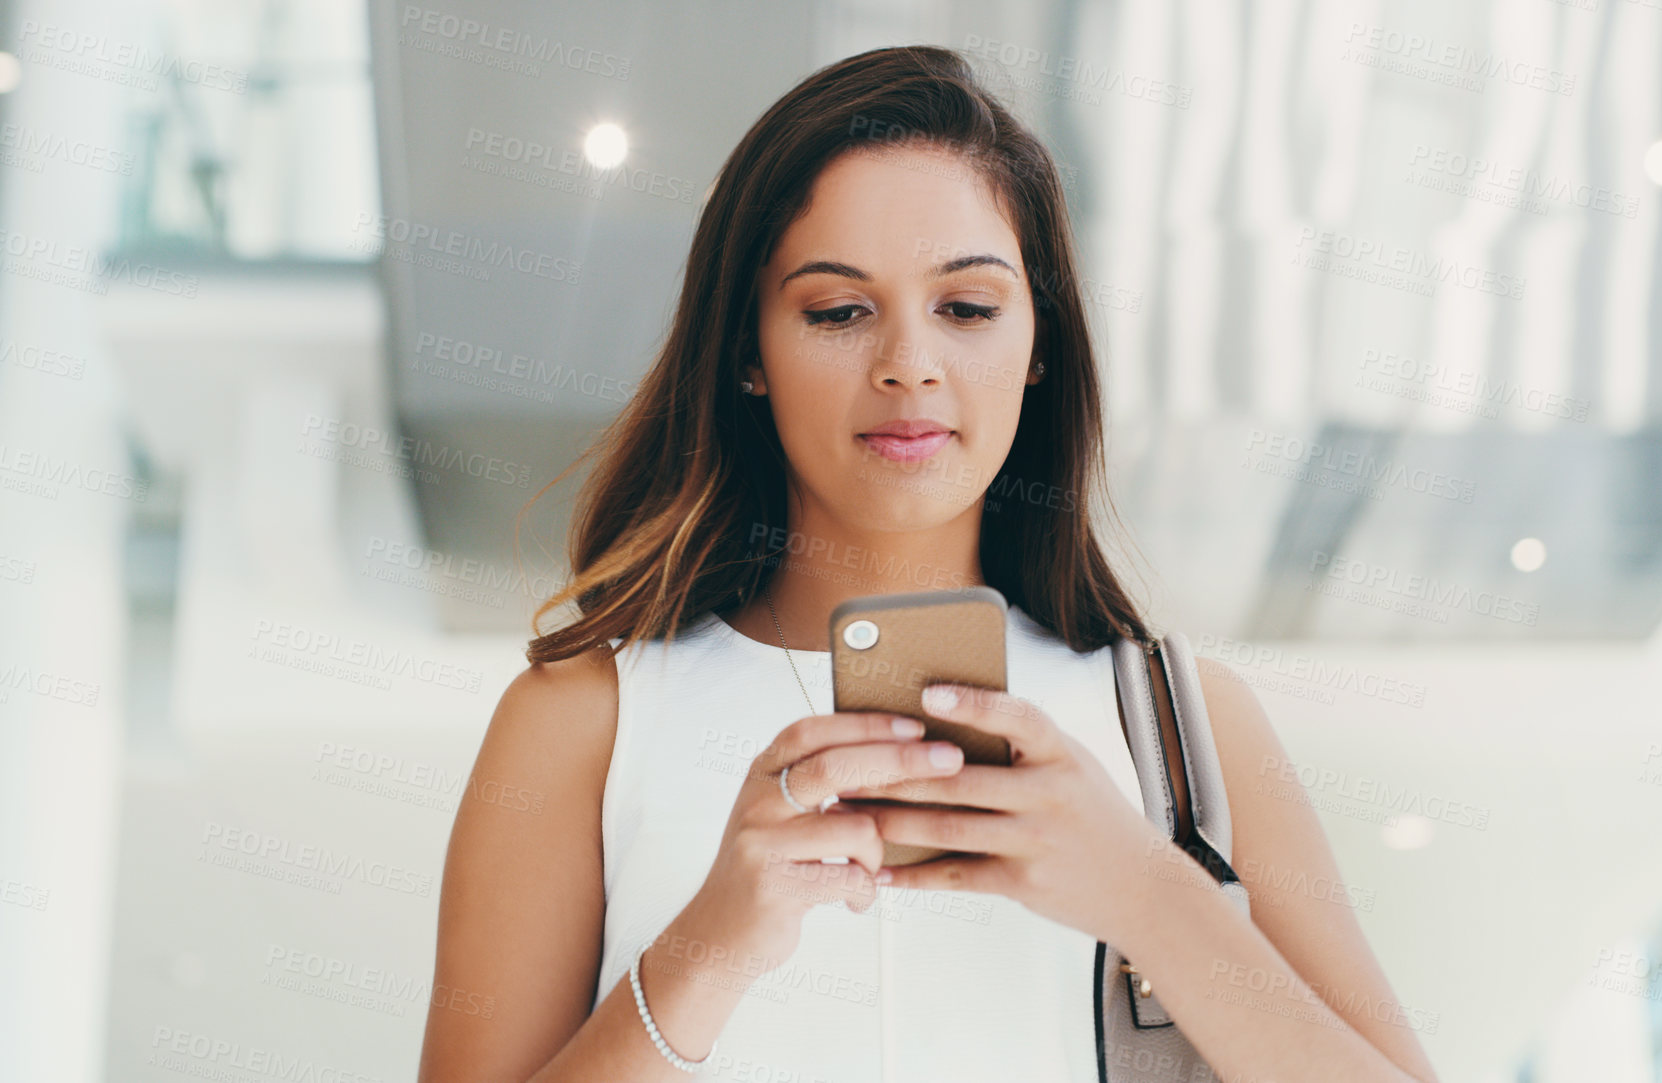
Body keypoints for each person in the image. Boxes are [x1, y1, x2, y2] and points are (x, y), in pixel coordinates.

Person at [417, 43, 1440, 1083]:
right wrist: (705, 951)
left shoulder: (1184, 723)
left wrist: (1147, 893)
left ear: (1040, 345)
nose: (909, 362)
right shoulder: (584, 720)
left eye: (967, 308)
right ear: (747, 354)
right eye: (837, 311)